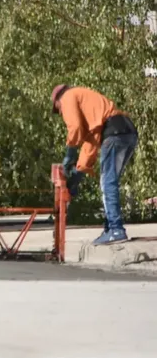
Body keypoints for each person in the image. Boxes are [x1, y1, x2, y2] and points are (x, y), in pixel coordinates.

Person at [52, 84, 137, 246]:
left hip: (114, 133)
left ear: (57, 101)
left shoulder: (68, 96)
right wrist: (78, 173)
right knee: (111, 182)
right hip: (127, 132)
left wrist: (69, 154)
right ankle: (109, 228)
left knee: (107, 183)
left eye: (59, 110)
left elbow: (75, 128)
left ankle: (116, 230)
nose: (61, 113)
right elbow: (89, 146)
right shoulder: (94, 115)